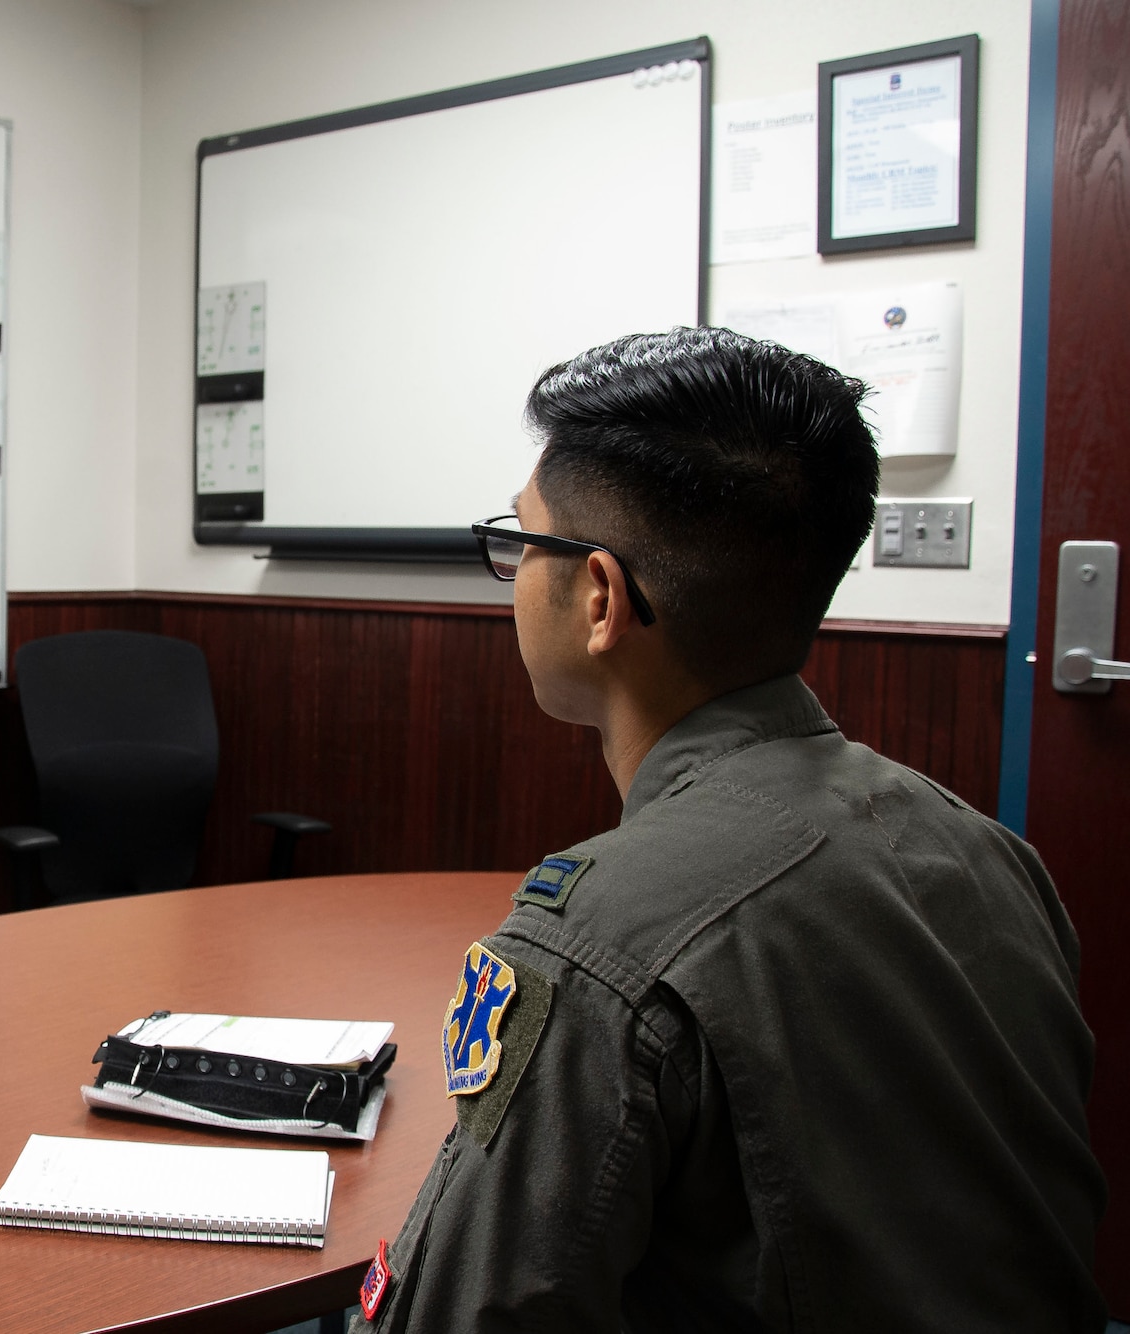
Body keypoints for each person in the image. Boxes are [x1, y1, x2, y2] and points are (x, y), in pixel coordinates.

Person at [358, 327, 1106, 1331]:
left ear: (596, 596)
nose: (510, 574)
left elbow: (453, 1312)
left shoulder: (597, 934)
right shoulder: (981, 849)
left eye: (519, 542)